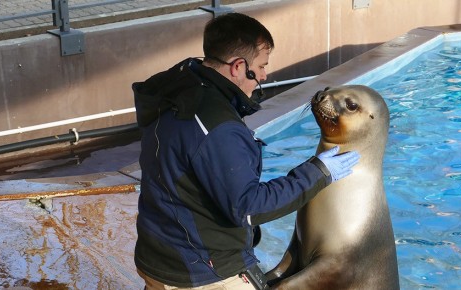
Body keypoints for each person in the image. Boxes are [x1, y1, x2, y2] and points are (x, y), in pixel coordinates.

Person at [131, 12, 360, 290]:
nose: (264, 75)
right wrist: (318, 172)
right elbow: (248, 207)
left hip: (156, 257)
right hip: (199, 272)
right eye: (262, 66)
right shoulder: (218, 128)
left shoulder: (178, 88)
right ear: (238, 67)